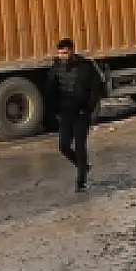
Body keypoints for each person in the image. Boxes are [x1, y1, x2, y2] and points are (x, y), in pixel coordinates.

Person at [45, 37, 103, 191]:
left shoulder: (86, 66)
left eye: (64, 53)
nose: (62, 56)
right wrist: (55, 111)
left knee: (80, 146)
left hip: (81, 112)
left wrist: (88, 109)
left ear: (71, 51)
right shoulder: (55, 69)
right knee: (63, 146)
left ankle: (81, 182)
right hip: (65, 113)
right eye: (59, 53)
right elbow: (50, 91)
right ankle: (82, 166)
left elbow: (96, 88)